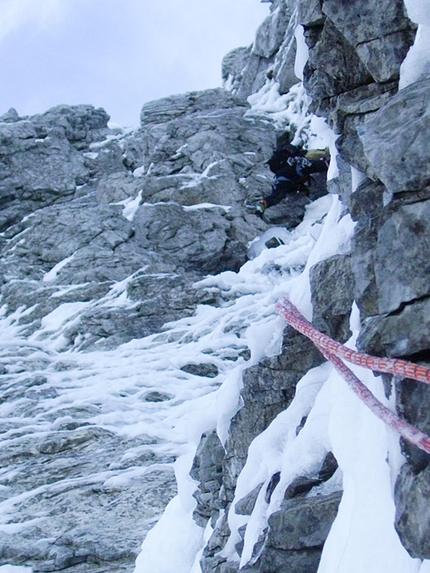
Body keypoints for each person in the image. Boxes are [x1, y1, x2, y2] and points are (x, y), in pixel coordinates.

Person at [256, 143, 330, 217]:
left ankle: (264, 203)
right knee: (315, 164)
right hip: (296, 170)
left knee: (278, 194)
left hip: (285, 177)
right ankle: (329, 160)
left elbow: (277, 194)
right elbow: (312, 154)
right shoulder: (299, 156)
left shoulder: (283, 164)